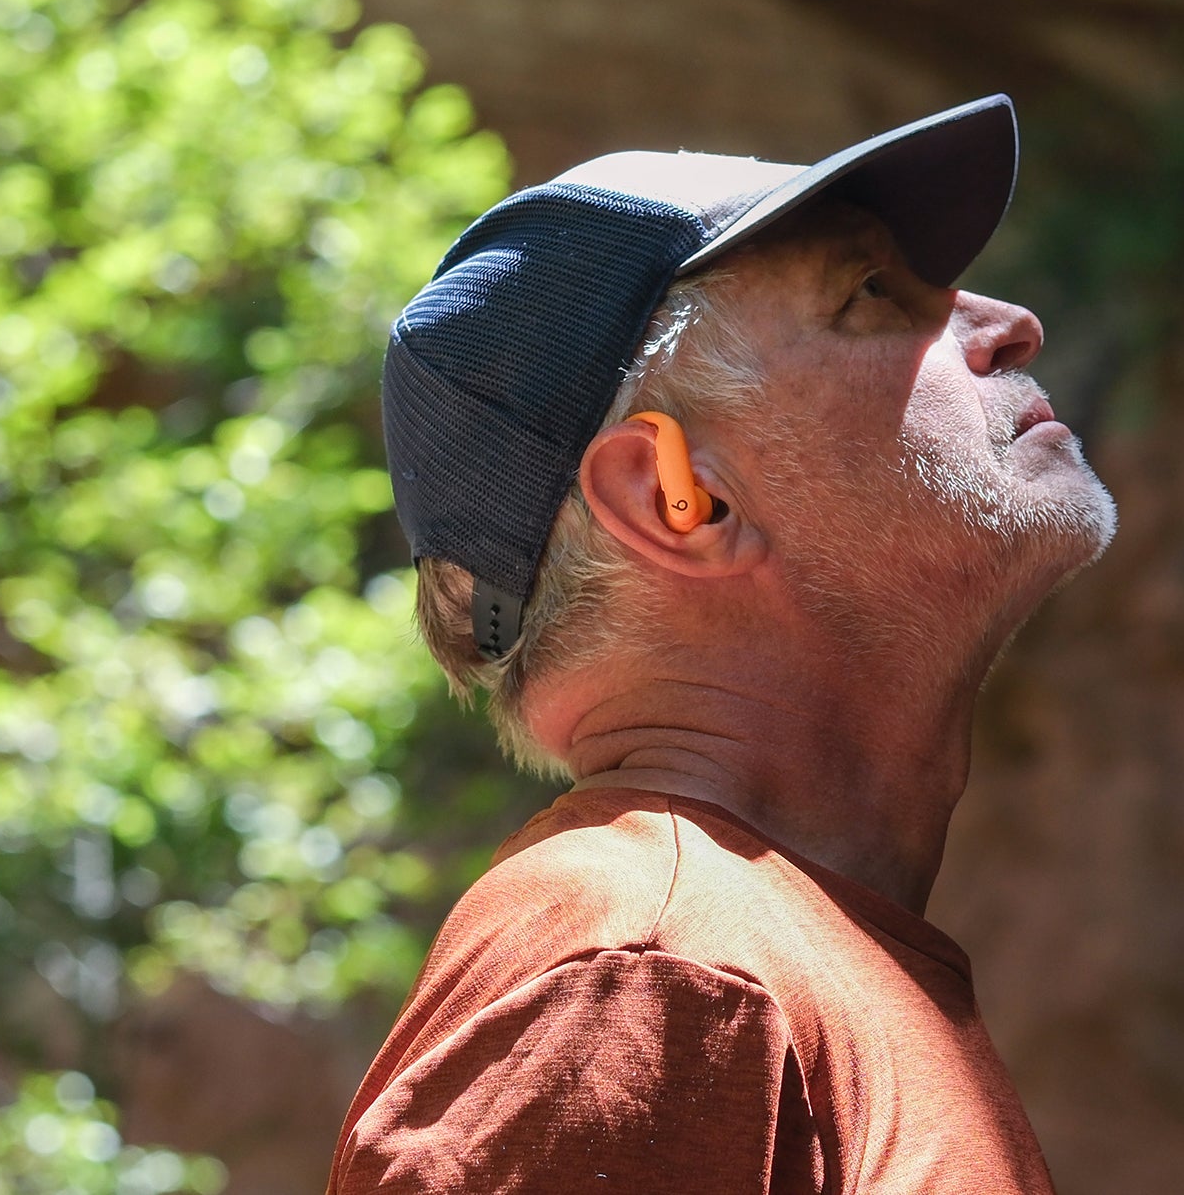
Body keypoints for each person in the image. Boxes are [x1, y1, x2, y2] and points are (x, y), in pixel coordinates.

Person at [328, 96, 1116, 1193]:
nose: (1007, 323)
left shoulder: (734, 957)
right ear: (677, 497)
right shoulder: (649, 972)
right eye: (872, 294)